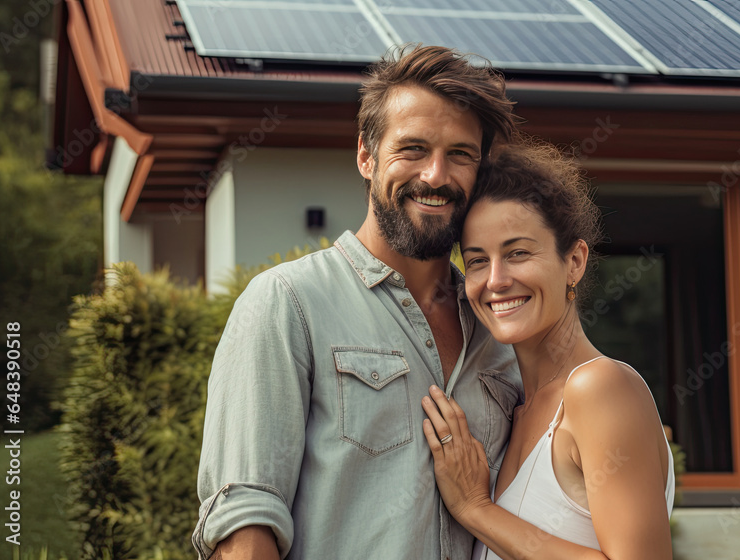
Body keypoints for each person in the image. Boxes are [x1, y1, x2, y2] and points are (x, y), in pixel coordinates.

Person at [191, 44, 522, 560]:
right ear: (366, 156)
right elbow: (245, 521)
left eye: (460, 154)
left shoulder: (500, 331)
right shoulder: (288, 303)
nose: (436, 176)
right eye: (412, 149)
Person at [421, 139, 675, 559]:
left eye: (518, 253)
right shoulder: (515, 408)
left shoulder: (600, 388)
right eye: (477, 260)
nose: (496, 280)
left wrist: (475, 508)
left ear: (574, 261)